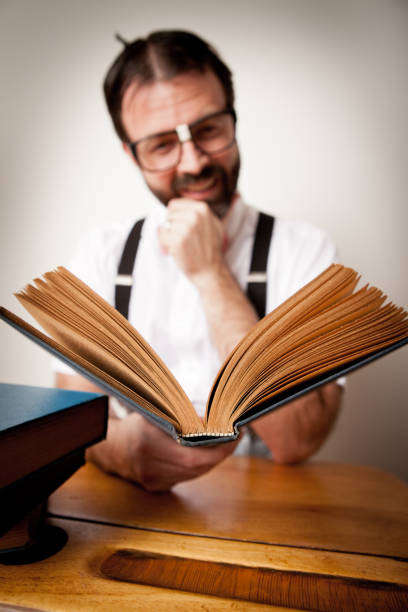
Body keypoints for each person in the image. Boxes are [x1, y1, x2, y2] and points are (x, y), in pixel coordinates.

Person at [55, 30, 343, 491]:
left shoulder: (305, 252)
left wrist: (211, 274)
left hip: (271, 526)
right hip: (128, 519)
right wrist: (121, 453)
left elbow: (296, 438)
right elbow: (67, 429)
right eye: (162, 145)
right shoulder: (100, 254)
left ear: (234, 119)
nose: (192, 163)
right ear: (132, 154)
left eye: (208, 129)